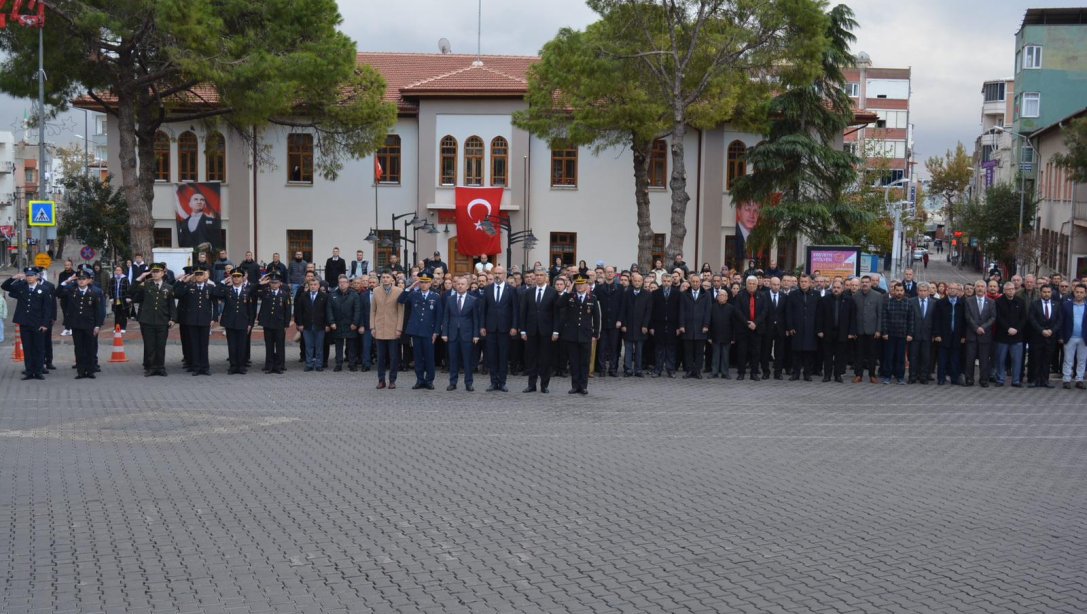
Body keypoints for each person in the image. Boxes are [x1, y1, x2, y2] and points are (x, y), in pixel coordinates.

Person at [3, 267, 56, 380]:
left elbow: (47, 309)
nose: (29, 278)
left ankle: (38, 371)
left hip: (38, 323)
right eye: (27, 276)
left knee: (38, 348)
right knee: (27, 348)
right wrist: (14, 277)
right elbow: (5, 287)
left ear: (37, 277)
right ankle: (29, 371)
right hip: (25, 322)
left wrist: (45, 324)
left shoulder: (44, 289)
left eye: (31, 276)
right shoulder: (21, 287)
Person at [128, 263, 176, 376]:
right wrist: (140, 277)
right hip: (147, 320)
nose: (155, 274)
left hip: (162, 320)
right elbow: (131, 291)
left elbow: (171, 305)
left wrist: (173, 318)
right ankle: (151, 367)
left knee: (160, 345)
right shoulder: (146, 285)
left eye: (157, 271)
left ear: (163, 273)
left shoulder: (168, 287)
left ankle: (160, 367)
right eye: (153, 272)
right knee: (149, 345)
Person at [56, 270, 106, 379]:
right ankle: (80, 371)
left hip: (89, 325)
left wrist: (97, 325)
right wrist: (68, 281)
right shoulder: (72, 291)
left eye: (84, 279)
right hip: (76, 324)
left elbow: (98, 311)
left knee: (90, 348)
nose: (81, 281)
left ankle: (90, 370)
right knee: (79, 348)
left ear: (88, 280)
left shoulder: (94, 292)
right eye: (79, 279)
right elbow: (58, 292)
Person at [555, 275, 600, 394]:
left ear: (586, 285)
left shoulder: (592, 298)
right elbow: (559, 304)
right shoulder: (570, 297)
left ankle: (583, 386)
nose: (580, 286)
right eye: (577, 284)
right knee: (574, 362)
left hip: (585, 334)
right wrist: (568, 290)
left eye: (582, 284)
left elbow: (596, 317)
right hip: (571, 335)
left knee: (584, 362)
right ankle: (575, 386)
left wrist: (596, 333)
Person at [398, 274, 443, 389]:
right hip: (416, 331)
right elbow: (401, 300)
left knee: (429, 357)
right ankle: (419, 380)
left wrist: (436, 332)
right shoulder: (414, 294)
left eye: (426, 282)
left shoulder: (436, 296)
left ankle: (429, 380)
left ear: (430, 283)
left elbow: (439, 316)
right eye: (422, 282)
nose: (424, 285)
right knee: (417, 358)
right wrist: (410, 287)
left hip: (429, 332)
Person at [481, 265, 519, 392]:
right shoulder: (487, 289)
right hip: (491, 328)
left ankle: (502, 382)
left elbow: (515, 310)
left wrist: (514, 326)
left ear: (504, 275)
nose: (497, 275)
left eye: (500, 273)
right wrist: (482, 326)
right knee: (492, 356)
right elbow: (483, 310)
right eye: (495, 273)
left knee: (503, 356)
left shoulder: (511, 290)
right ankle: (493, 382)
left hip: (505, 328)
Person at [520, 268, 558, 392]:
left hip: (546, 331)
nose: (539, 277)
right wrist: (523, 330)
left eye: (541, 275)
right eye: (537, 275)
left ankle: (544, 385)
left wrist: (555, 331)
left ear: (546, 277)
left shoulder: (552, 292)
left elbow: (556, 314)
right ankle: (531, 385)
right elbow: (523, 312)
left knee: (545, 358)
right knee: (531, 358)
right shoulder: (528, 292)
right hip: (531, 331)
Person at [174, 265, 217, 375]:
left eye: (200, 274)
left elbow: (215, 304)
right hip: (191, 320)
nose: (198, 277)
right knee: (194, 344)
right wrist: (183, 281)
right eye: (196, 274)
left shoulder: (210, 288)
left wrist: (214, 318)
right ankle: (196, 367)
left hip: (204, 320)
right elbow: (177, 293)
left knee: (204, 344)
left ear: (204, 276)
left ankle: (205, 367)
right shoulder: (189, 287)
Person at [443, 275, 483, 391]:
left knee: (467, 361)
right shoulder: (450, 299)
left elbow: (476, 319)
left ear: (467, 286)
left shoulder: (473, 300)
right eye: (458, 284)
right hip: (452, 334)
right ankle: (453, 382)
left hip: (467, 335)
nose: (460, 286)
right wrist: (444, 333)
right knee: (453, 360)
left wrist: (476, 335)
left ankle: (468, 383)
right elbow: (446, 317)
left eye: (462, 284)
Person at [214, 270, 256, 374]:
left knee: (242, 345)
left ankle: (241, 366)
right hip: (230, 322)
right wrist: (223, 281)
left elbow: (251, 309)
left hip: (243, 322)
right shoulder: (227, 290)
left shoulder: (247, 291)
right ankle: (233, 366)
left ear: (242, 278)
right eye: (234, 276)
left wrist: (250, 323)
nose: (236, 278)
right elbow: (215, 292)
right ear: (231, 278)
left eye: (238, 276)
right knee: (232, 345)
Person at [370, 272, 405, 389]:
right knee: (380, 357)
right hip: (379, 328)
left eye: (387, 277)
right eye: (383, 277)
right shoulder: (376, 291)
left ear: (392, 279)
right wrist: (372, 327)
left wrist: (399, 328)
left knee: (394, 357)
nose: (385, 279)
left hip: (393, 328)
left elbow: (401, 312)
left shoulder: (398, 291)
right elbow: (373, 310)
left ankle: (392, 380)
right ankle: (381, 380)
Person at [816, 279, 855, 382]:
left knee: (840, 356)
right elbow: (819, 316)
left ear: (842, 289)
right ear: (831, 288)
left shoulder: (849, 300)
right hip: (827, 332)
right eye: (834, 287)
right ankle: (827, 375)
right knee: (827, 355)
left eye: (838, 288)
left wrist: (851, 332)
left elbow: (852, 318)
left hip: (842, 332)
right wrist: (819, 330)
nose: (836, 289)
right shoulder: (824, 299)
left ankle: (838, 375)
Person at [254, 273, 292, 374]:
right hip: (268, 323)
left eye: (276, 283)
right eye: (272, 283)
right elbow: (253, 292)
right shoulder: (265, 292)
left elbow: (288, 310)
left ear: (280, 283)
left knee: (280, 345)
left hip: (279, 324)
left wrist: (286, 324)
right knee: (269, 345)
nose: (274, 285)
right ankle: (269, 365)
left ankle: (279, 366)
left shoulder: (284, 294)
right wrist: (260, 283)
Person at [785, 275, 819, 381]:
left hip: (811, 328)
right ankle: (796, 373)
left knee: (809, 352)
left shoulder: (816, 295)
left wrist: (818, 328)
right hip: (797, 328)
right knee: (796, 352)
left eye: (805, 281)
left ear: (810, 283)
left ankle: (807, 374)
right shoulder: (793, 294)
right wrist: (790, 327)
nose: (803, 283)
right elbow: (788, 312)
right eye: (801, 281)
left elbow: (819, 313)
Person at [1027, 284, 1061, 388]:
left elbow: (1059, 320)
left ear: (1051, 293)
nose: (1046, 294)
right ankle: (1035, 380)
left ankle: (1045, 380)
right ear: (1040, 293)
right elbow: (1032, 319)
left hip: (1051, 337)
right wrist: (1042, 330)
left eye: (1048, 292)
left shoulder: (1057, 304)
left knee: (1047, 360)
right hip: (1037, 337)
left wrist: (1052, 330)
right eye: (1044, 292)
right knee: (1036, 359)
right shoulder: (1034, 304)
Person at [327, 275, 363, 372]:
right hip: (337, 324)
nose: (342, 284)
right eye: (340, 282)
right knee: (338, 346)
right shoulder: (332, 294)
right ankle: (338, 364)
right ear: (338, 284)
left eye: (344, 282)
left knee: (351, 346)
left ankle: (352, 364)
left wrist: (355, 323)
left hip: (350, 324)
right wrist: (331, 322)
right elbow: (329, 310)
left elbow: (357, 310)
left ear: (348, 284)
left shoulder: (354, 295)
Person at [994, 281, 1027, 387]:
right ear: (1004, 291)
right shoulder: (998, 302)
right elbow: (998, 318)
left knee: (1017, 360)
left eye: (1012, 289)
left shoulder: (1020, 302)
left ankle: (1016, 380)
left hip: (1017, 336)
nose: (1011, 291)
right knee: (1000, 359)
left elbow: (1023, 318)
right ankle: (1000, 379)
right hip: (1002, 335)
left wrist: (1016, 329)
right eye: (1008, 289)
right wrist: (1008, 328)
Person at [678, 273, 711, 379]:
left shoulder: (706, 294)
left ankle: (697, 371)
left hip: (701, 327)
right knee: (688, 351)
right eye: (693, 281)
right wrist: (681, 325)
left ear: (700, 282)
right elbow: (681, 311)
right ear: (690, 282)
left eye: (697, 281)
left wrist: (706, 325)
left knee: (699, 351)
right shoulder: (684, 294)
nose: (695, 283)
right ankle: (688, 371)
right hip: (687, 327)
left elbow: (708, 311)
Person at [933, 282, 966, 386]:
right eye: (950, 288)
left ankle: (954, 378)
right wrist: (937, 334)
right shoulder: (940, 303)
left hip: (957, 336)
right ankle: (941, 378)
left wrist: (963, 336)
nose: (952, 290)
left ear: (958, 291)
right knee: (942, 359)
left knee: (955, 358)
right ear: (947, 290)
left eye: (955, 289)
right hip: (943, 335)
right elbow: (936, 320)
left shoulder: (962, 304)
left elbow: (965, 321)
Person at [619, 272, 652, 377]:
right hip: (628, 326)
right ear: (632, 281)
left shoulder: (647, 294)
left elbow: (648, 312)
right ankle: (628, 369)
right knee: (628, 349)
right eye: (635, 281)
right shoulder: (626, 293)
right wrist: (623, 324)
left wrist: (645, 325)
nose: (637, 283)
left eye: (639, 281)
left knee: (639, 350)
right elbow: (622, 309)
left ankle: (638, 369)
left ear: (642, 282)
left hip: (641, 327)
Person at [964, 280, 996, 387]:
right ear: (975, 288)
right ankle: (969, 379)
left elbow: (993, 317)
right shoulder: (968, 301)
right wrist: (976, 328)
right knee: (970, 359)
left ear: (985, 288)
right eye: (978, 286)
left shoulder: (991, 302)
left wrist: (983, 327)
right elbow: (968, 317)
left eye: (982, 286)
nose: (980, 288)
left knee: (984, 359)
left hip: (985, 335)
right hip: (972, 335)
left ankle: (983, 379)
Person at [294, 278, 329, 372]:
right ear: (309, 286)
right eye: (311, 285)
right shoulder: (303, 296)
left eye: (315, 284)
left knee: (319, 346)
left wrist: (327, 324)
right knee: (308, 346)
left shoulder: (324, 296)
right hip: (307, 325)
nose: (313, 286)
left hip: (320, 325)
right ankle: (309, 364)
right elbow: (299, 311)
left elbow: (327, 312)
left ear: (318, 286)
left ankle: (319, 364)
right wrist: (300, 324)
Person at [852, 276, 883, 383]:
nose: (865, 284)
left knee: (872, 355)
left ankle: (872, 375)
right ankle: (858, 375)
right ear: (861, 284)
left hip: (872, 330)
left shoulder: (878, 296)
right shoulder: (855, 296)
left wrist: (878, 330)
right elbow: (853, 315)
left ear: (870, 283)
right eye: (863, 282)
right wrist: (853, 331)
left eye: (867, 282)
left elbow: (880, 314)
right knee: (858, 354)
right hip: (859, 330)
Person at [708, 289, 742, 378]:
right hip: (715, 335)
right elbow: (709, 322)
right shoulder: (712, 307)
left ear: (727, 297)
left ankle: (725, 372)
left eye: (724, 295)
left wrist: (733, 337)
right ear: (717, 297)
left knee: (725, 355)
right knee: (715, 355)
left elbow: (734, 324)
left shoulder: (731, 308)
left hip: (727, 336)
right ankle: (714, 372)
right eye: (720, 295)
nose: (721, 297)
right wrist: (709, 336)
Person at [907, 282, 936, 384]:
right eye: (921, 291)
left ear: (928, 292)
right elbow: (908, 319)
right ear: (917, 291)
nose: (923, 293)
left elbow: (935, 320)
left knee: (926, 357)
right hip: (914, 335)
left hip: (927, 335)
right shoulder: (911, 301)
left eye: (925, 291)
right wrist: (909, 333)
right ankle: (912, 376)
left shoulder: (933, 303)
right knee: (913, 357)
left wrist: (934, 334)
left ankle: (924, 377)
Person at [1059, 283, 1087, 389]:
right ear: (1074, 292)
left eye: (1081, 292)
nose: (1079, 294)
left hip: (1084, 338)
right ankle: (1066, 379)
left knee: (1082, 360)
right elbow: (1061, 321)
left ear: (1085, 294)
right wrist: (1061, 336)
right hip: (1069, 337)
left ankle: (1079, 379)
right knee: (1068, 359)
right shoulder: (1066, 305)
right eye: (1077, 292)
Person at [108, 265, 131, 333]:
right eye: (116, 270)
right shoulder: (113, 279)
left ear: (122, 271)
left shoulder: (125, 279)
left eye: (119, 270)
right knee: (117, 314)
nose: (117, 272)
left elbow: (128, 289)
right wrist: (111, 297)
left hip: (123, 299)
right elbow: (110, 289)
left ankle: (123, 327)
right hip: (116, 299)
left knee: (123, 314)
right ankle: (116, 327)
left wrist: (128, 297)